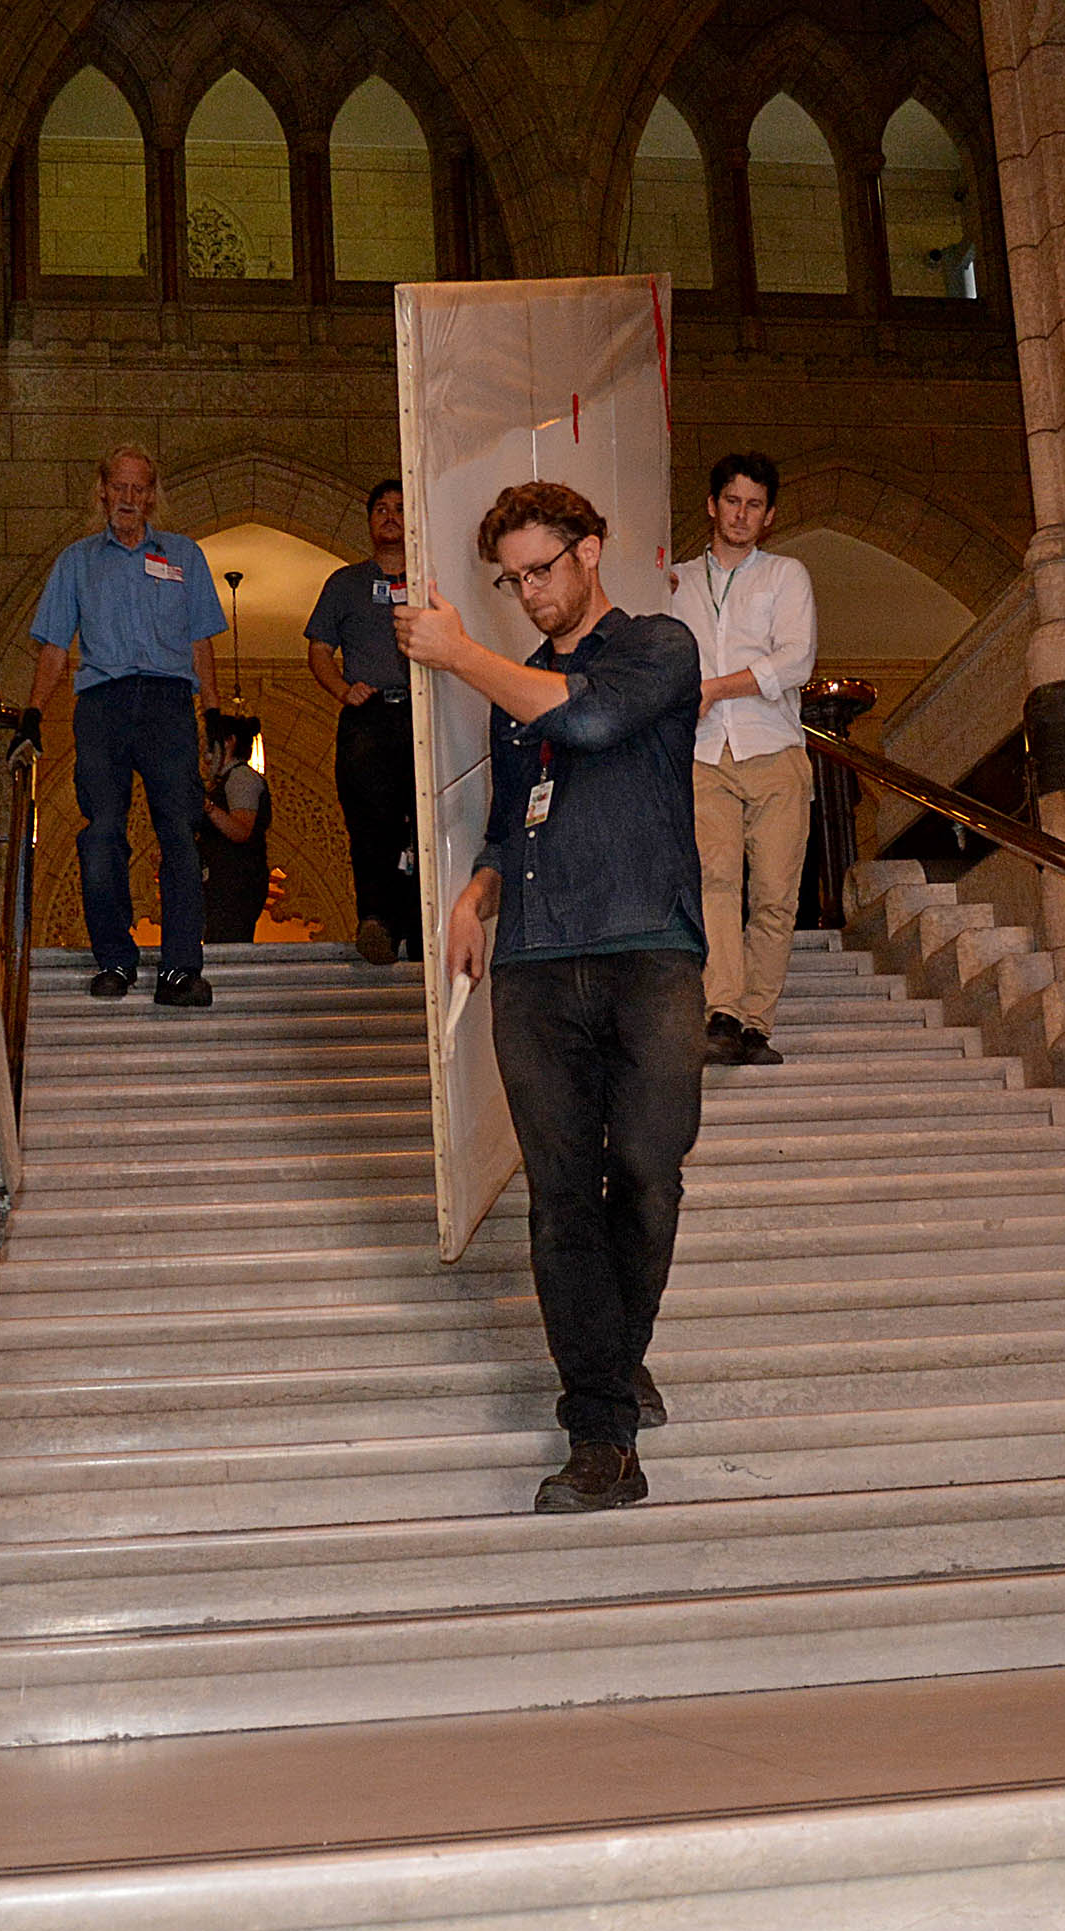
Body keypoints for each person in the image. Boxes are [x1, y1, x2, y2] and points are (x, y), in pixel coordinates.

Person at [396, 481, 704, 1514]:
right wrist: (476, 894)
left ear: (591, 548)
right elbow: (503, 821)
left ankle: (616, 1357)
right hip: (532, 965)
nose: (528, 592)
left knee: (649, 1176)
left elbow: (595, 719)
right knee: (563, 1197)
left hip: (648, 952)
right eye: (511, 578)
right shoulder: (515, 692)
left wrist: (458, 652)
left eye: (541, 568)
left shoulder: (657, 648)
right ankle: (601, 1433)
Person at [28, 444, 224, 1007]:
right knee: (102, 833)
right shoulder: (77, 561)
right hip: (103, 705)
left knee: (180, 835)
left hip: (168, 704)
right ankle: (114, 958)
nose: (130, 499)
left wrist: (212, 712)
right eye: (120, 487)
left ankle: (182, 970)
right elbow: (52, 648)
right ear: (103, 491)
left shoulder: (184, 555)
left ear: (153, 495)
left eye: (140, 489)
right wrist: (34, 713)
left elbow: (200, 640)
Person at [672, 452, 815, 1067]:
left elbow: (796, 661)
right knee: (715, 880)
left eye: (753, 504)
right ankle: (722, 1012)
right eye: (731, 501)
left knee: (776, 892)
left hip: (774, 748)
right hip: (704, 754)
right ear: (712, 505)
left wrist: (716, 688)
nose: (740, 513)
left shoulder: (785, 576)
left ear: (769, 516)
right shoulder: (675, 582)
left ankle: (758, 1021)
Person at [305, 479, 422, 966]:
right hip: (368, 717)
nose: (390, 516)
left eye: (399, 508)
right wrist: (341, 691)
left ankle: (419, 929)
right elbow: (318, 650)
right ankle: (375, 920)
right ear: (370, 520)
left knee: (422, 826)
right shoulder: (345, 583)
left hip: (420, 715)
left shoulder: (427, 582)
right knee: (370, 825)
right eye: (381, 509)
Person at [196, 710, 271, 944]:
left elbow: (241, 831)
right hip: (225, 884)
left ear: (228, 742)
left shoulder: (241, 779)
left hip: (234, 886)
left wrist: (207, 807)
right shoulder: (228, 780)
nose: (206, 754)